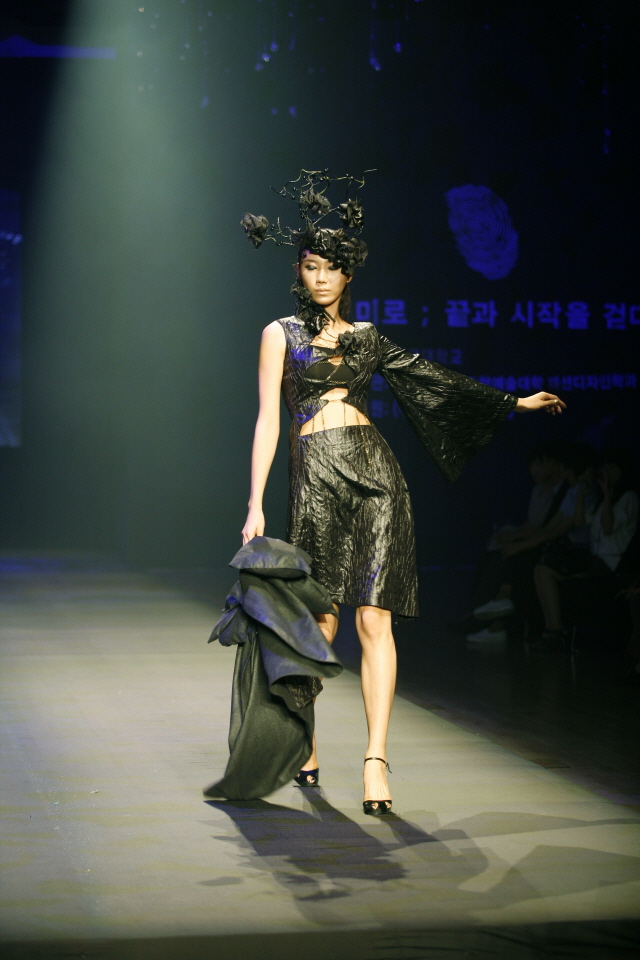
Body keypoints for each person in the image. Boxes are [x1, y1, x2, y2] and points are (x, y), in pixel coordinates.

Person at [239, 170, 565, 815]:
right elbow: (268, 419)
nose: (322, 277)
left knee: (375, 618)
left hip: (377, 479)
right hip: (314, 480)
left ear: (348, 274)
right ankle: (305, 738)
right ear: (298, 271)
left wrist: (513, 402)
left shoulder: (368, 338)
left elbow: (434, 379)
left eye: (333, 267)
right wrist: (255, 503)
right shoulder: (280, 333)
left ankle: (375, 760)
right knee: (319, 620)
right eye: (311, 266)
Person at [533, 447, 639, 646]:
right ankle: (553, 628)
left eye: (612, 468)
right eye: (605, 468)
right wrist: (582, 491)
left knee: (556, 572)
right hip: (593, 560)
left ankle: (556, 631)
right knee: (541, 570)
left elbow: (608, 528)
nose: (606, 472)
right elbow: (580, 521)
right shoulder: (602, 500)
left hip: (611, 564)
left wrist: (607, 495)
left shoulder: (629, 498)